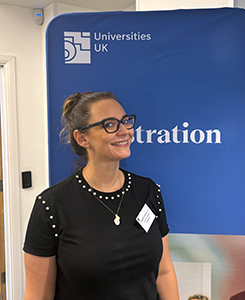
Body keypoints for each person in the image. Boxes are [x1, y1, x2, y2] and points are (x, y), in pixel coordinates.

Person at [23, 91, 179, 300]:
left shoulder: (148, 191)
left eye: (125, 121)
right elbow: (38, 295)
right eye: (110, 124)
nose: (125, 131)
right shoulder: (52, 206)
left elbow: (164, 271)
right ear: (82, 138)